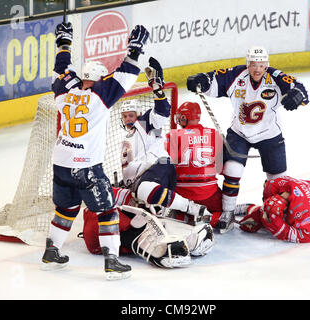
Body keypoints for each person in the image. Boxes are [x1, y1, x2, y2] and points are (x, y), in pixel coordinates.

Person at [41, 22, 149, 281]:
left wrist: (63, 44)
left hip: (61, 163)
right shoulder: (100, 95)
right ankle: (112, 261)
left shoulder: (64, 92)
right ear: (99, 79)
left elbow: (61, 69)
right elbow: (127, 72)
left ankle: (52, 251)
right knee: (107, 211)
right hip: (86, 165)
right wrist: (134, 49)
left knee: (66, 209)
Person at [186, 46, 309, 233]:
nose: (257, 69)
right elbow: (213, 79)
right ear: (248, 64)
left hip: (269, 134)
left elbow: (299, 88)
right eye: (253, 64)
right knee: (232, 169)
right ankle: (227, 212)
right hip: (240, 133)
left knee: (278, 180)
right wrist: (202, 80)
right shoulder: (236, 75)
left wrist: (297, 95)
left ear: (266, 64)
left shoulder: (276, 77)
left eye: (261, 65)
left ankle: (272, 212)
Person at [119, 57, 211, 223]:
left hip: (159, 169)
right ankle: (168, 211)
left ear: (138, 114)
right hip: (143, 179)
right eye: (125, 116)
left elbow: (163, 111)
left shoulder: (145, 124)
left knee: (144, 190)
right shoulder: (127, 138)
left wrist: (157, 88)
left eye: (131, 115)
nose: (128, 119)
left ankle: (193, 208)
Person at [78, 186, 214, 268]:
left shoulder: (117, 193)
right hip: (98, 231)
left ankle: (181, 238)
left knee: (150, 219)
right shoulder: (102, 199)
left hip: (104, 233)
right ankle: (160, 250)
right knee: (141, 221)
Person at [165, 101, 225, 229]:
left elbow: (166, 166)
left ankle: (185, 217)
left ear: (183, 117)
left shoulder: (174, 136)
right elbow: (220, 168)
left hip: (182, 195)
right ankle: (214, 219)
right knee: (225, 209)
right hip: (209, 194)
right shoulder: (214, 134)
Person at [236, 176, 310, 243]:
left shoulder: (303, 211)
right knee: (270, 212)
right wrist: (257, 217)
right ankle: (249, 207)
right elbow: (269, 205)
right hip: (305, 193)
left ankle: (251, 208)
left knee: (277, 221)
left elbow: (307, 235)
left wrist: (276, 227)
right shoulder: (275, 185)